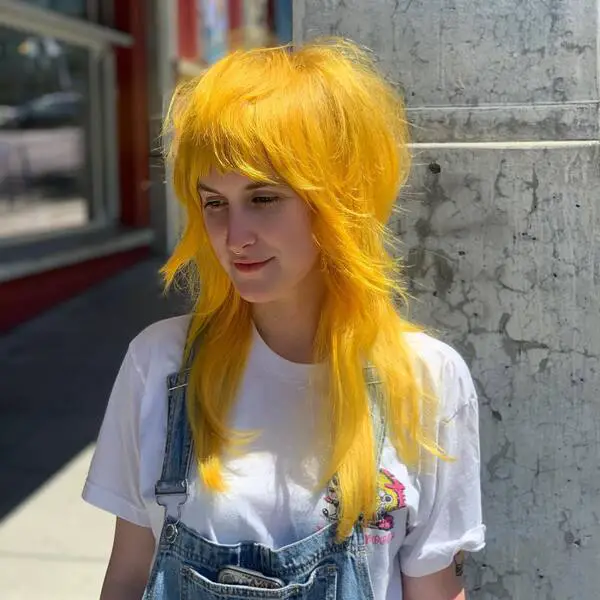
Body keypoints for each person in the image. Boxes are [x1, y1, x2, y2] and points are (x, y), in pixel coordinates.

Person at [83, 38, 485, 600]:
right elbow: (128, 573)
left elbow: (435, 589)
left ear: (340, 198)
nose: (234, 236)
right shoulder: (161, 364)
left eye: (264, 198)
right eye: (214, 202)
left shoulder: (425, 379)